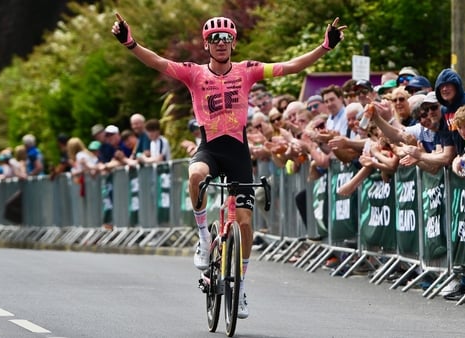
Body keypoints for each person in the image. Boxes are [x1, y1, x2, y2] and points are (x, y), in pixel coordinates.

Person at [112, 13, 346, 318]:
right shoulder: (193, 73)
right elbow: (157, 62)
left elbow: (289, 67)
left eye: (226, 38)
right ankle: (203, 238)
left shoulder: (247, 71)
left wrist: (324, 47)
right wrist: (129, 42)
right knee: (196, 174)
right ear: (207, 44)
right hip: (209, 146)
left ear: (233, 43)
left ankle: (242, 287)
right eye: (215, 39)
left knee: (246, 224)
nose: (221, 43)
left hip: (238, 151)